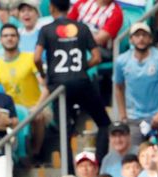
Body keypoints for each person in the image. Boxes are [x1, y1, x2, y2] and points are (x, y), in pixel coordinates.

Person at [36, 0, 110, 162]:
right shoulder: (83, 28)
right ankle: (99, 162)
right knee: (104, 123)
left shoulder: (46, 29)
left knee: (64, 132)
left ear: (51, 8)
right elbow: (97, 57)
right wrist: (81, 68)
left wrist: (44, 75)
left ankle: (68, 172)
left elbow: (36, 58)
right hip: (81, 81)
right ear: (70, 8)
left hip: (58, 85)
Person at [114, 22, 158, 140]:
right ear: (131, 40)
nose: (141, 38)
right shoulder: (121, 61)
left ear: (150, 39)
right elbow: (118, 87)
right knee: (133, 155)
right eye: (137, 35)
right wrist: (123, 115)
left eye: (144, 35)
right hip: (133, 118)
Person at [0, 24, 48, 158]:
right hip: (9, 110)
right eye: (5, 36)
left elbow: (45, 83)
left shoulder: (30, 58)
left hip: (33, 105)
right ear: (0, 40)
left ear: (18, 39)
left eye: (13, 35)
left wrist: (38, 106)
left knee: (39, 115)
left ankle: (36, 153)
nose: (9, 39)